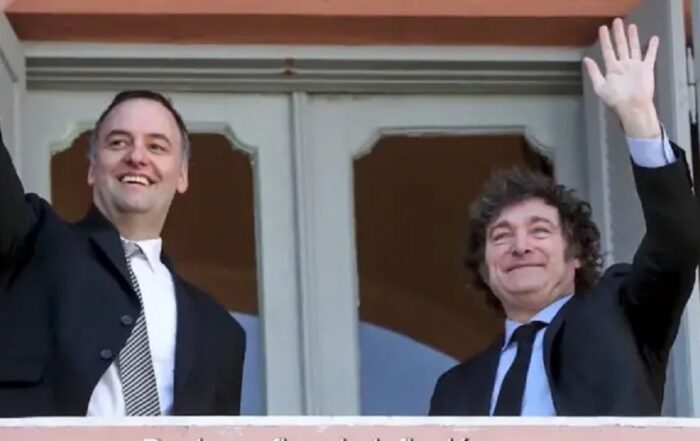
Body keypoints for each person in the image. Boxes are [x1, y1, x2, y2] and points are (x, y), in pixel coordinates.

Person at [429, 18, 700, 416]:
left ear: (575, 256)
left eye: (539, 231)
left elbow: (677, 242)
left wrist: (638, 116)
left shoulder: (623, 313)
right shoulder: (454, 388)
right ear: (485, 269)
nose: (520, 246)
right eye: (501, 236)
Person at [0, 90, 245, 416]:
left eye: (156, 146)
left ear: (182, 175)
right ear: (92, 168)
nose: (137, 157)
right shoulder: (33, 242)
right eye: (118, 143)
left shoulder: (220, 330)